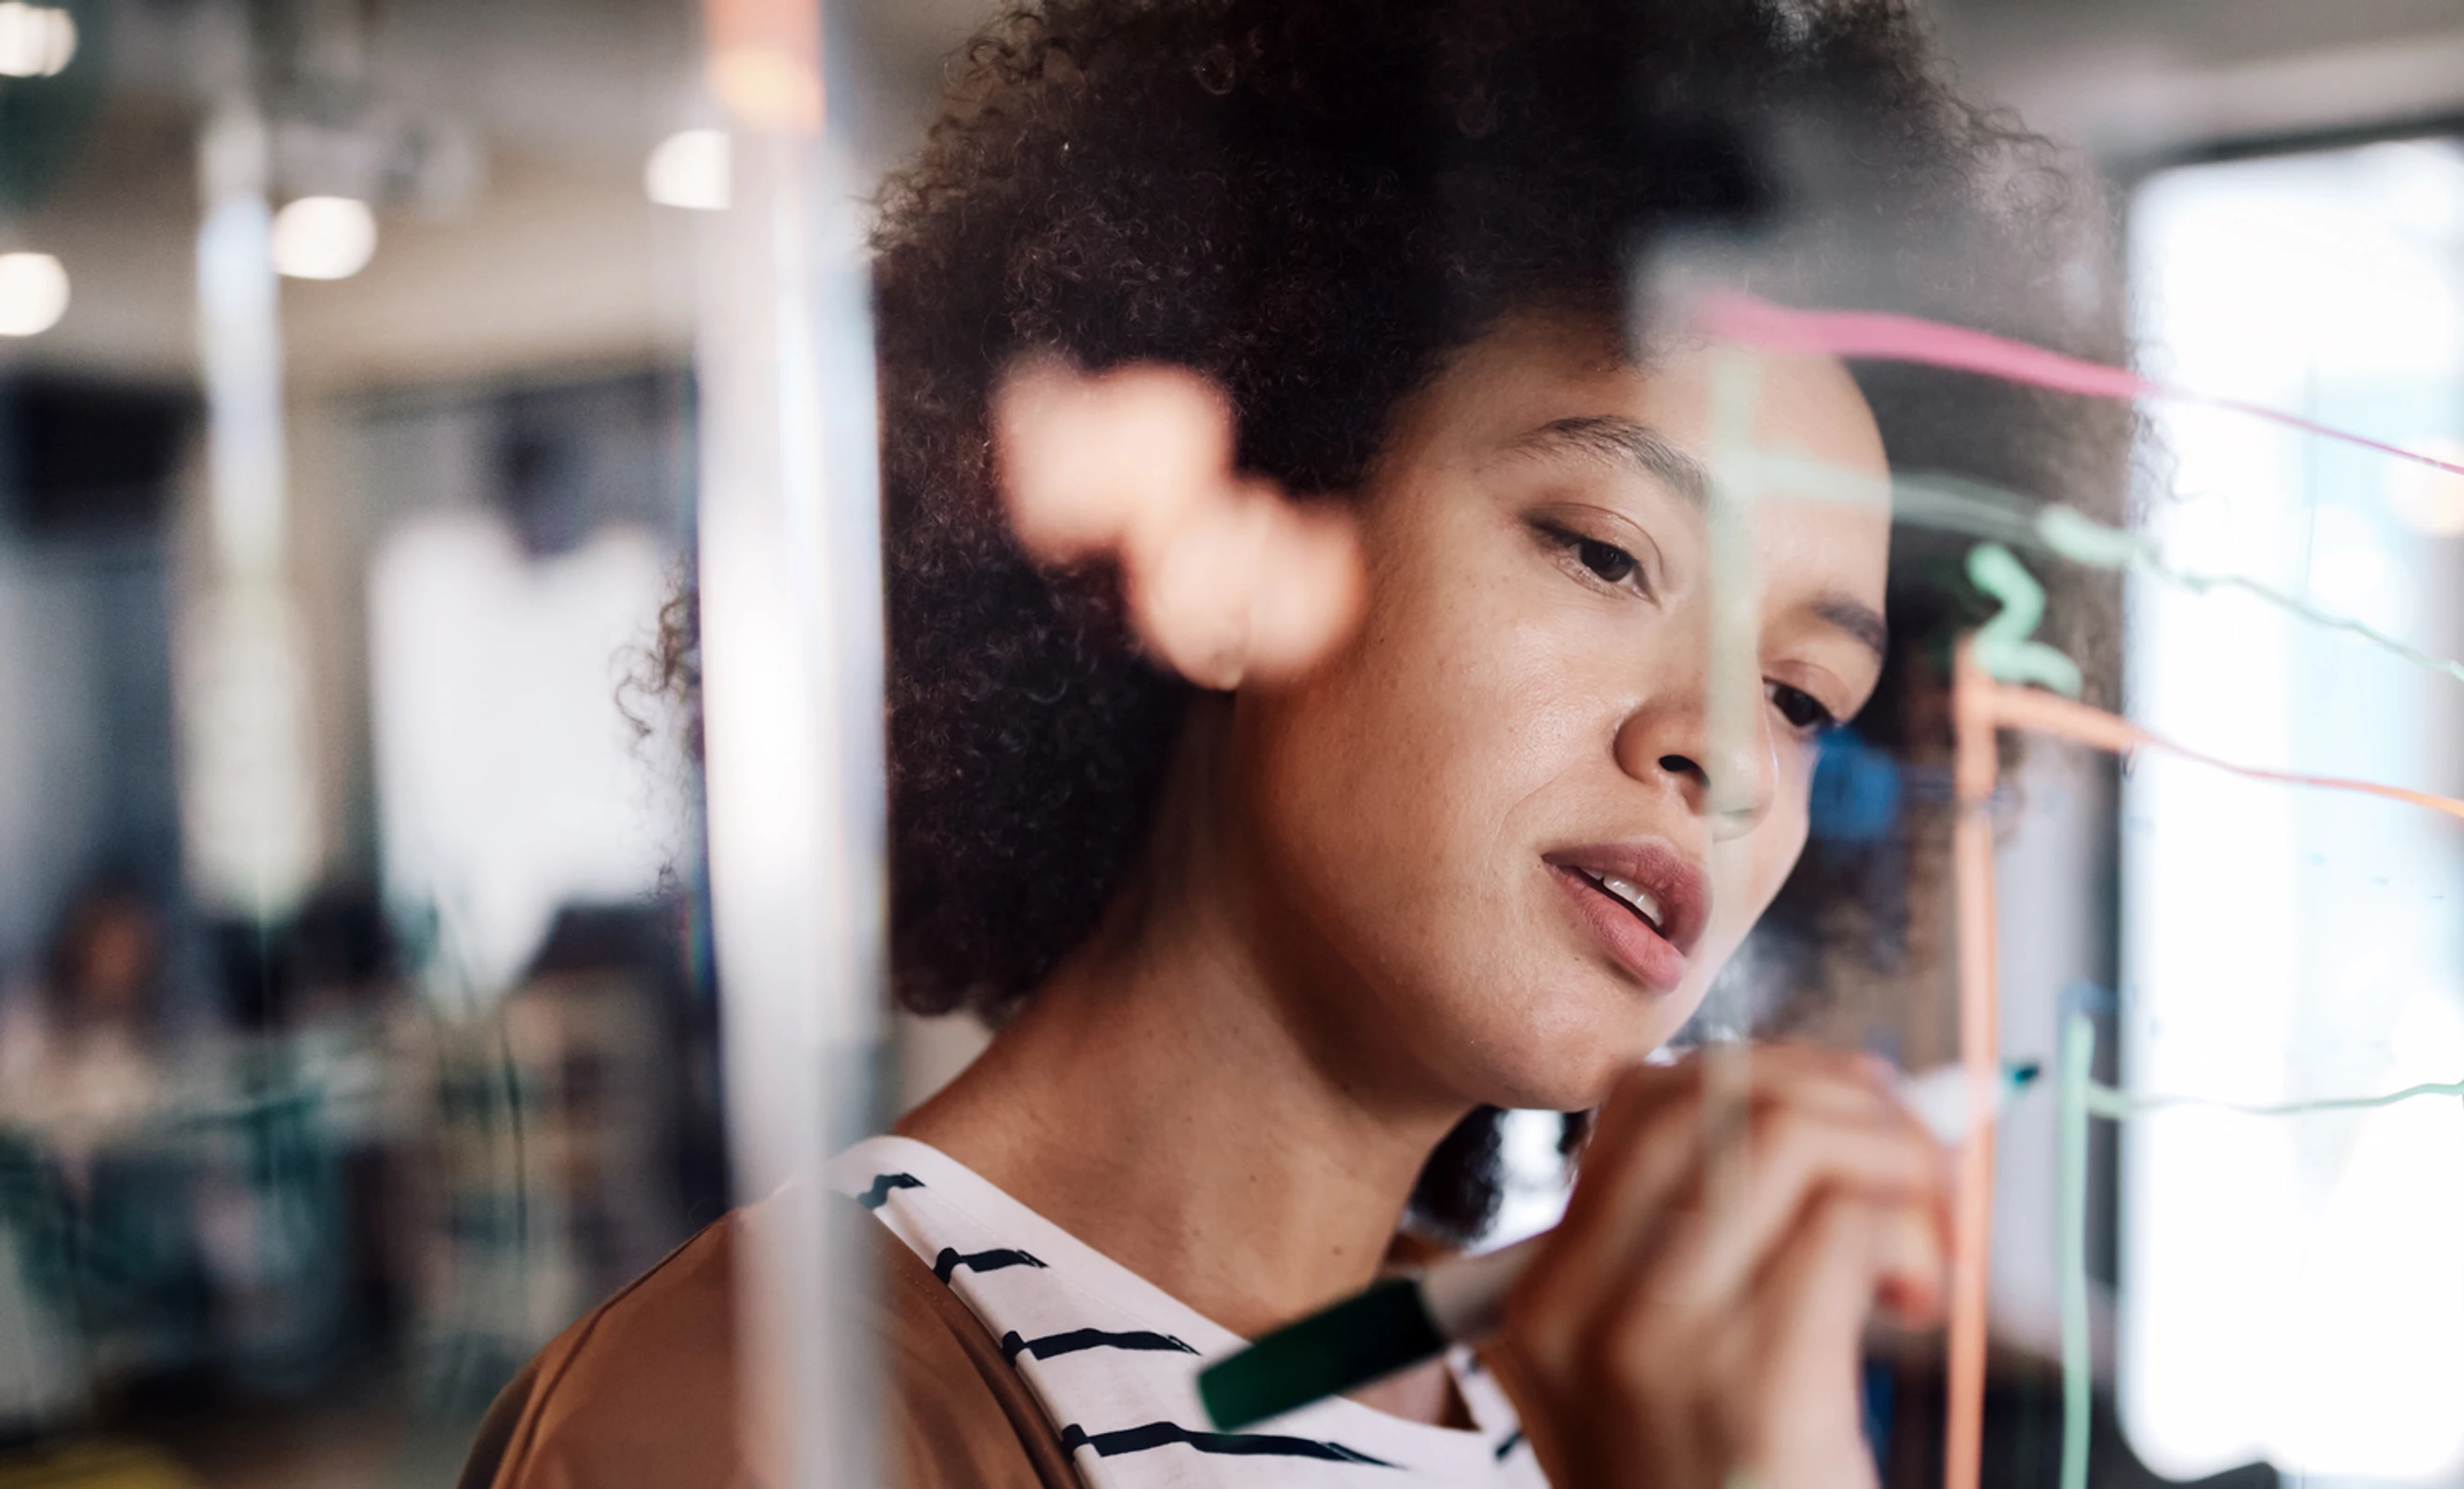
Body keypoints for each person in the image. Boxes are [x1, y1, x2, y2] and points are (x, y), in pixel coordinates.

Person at [462, 1, 2112, 1484]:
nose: (1725, 759)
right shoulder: (755, 1419)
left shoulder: (1551, 1395)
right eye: (1606, 553)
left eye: (1802, 698)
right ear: (1239, 548)